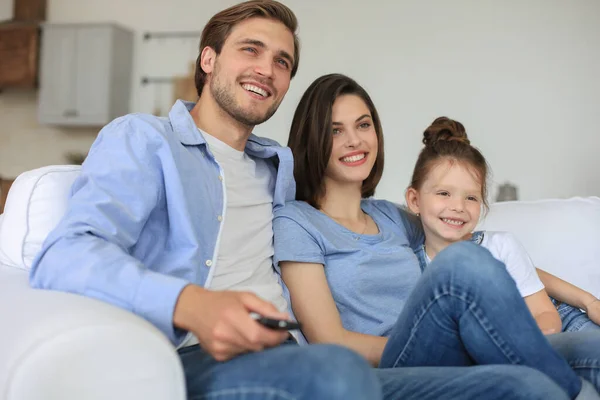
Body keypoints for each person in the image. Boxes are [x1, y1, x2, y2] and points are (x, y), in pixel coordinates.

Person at [28, 2, 383, 399]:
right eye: (251, 49)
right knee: (337, 375)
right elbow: (64, 255)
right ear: (208, 59)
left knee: (464, 378)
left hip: (292, 351)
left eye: (282, 62)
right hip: (194, 355)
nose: (266, 69)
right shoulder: (145, 139)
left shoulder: (277, 167)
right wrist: (192, 304)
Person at [274, 73, 600, 399]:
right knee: (463, 265)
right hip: (392, 365)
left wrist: (586, 299)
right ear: (312, 138)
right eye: (335, 130)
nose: (354, 140)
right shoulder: (297, 221)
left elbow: (487, 262)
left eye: (363, 125)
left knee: (593, 348)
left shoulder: (390, 216)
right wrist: (452, 346)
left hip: (452, 342)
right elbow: (330, 340)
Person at [405, 116, 600, 335]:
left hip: (559, 328)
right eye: (444, 193)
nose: (458, 206)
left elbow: (545, 315)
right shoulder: (408, 267)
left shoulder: (500, 245)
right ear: (414, 200)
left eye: (471, 197)